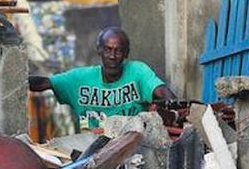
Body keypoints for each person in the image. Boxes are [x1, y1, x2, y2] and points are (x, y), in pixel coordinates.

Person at [29, 26, 176, 129]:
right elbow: (45, 83)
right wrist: (13, 82)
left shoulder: (137, 71)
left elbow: (162, 92)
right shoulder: (80, 78)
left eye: (118, 51)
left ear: (126, 54)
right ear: (99, 50)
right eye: (108, 50)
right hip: (91, 148)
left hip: (131, 146)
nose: (112, 56)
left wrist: (173, 110)